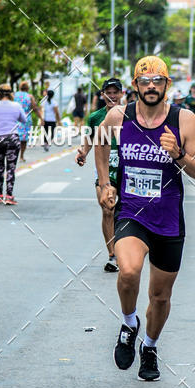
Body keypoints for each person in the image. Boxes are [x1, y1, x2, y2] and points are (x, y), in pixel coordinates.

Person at [94, 55, 195, 381]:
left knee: (160, 297)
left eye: (158, 81)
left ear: (167, 86)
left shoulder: (183, 120)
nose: (152, 87)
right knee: (128, 271)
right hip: (131, 212)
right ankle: (129, 324)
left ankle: (150, 347)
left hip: (169, 220)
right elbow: (99, 142)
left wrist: (178, 154)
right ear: (136, 86)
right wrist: (105, 183)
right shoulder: (120, 115)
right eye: (145, 81)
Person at [76, 78, 124, 273]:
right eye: (108, 92)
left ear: (122, 94)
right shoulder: (95, 117)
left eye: (115, 92)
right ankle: (112, 255)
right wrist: (83, 153)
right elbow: (88, 139)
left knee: (125, 212)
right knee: (107, 210)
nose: (112, 96)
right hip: (104, 167)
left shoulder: (130, 115)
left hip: (126, 168)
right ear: (103, 94)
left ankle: (126, 251)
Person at [0, 83, 26, 204]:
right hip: (12, 139)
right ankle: (9, 196)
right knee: (11, 168)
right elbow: (23, 119)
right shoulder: (16, 105)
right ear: (11, 94)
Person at [13, 81, 40, 162]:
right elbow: (35, 108)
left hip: (15, 119)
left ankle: (14, 155)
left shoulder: (14, 95)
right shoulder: (29, 96)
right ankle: (21, 156)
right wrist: (41, 118)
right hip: (25, 120)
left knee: (15, 138)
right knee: (23, 140)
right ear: (27, 88)